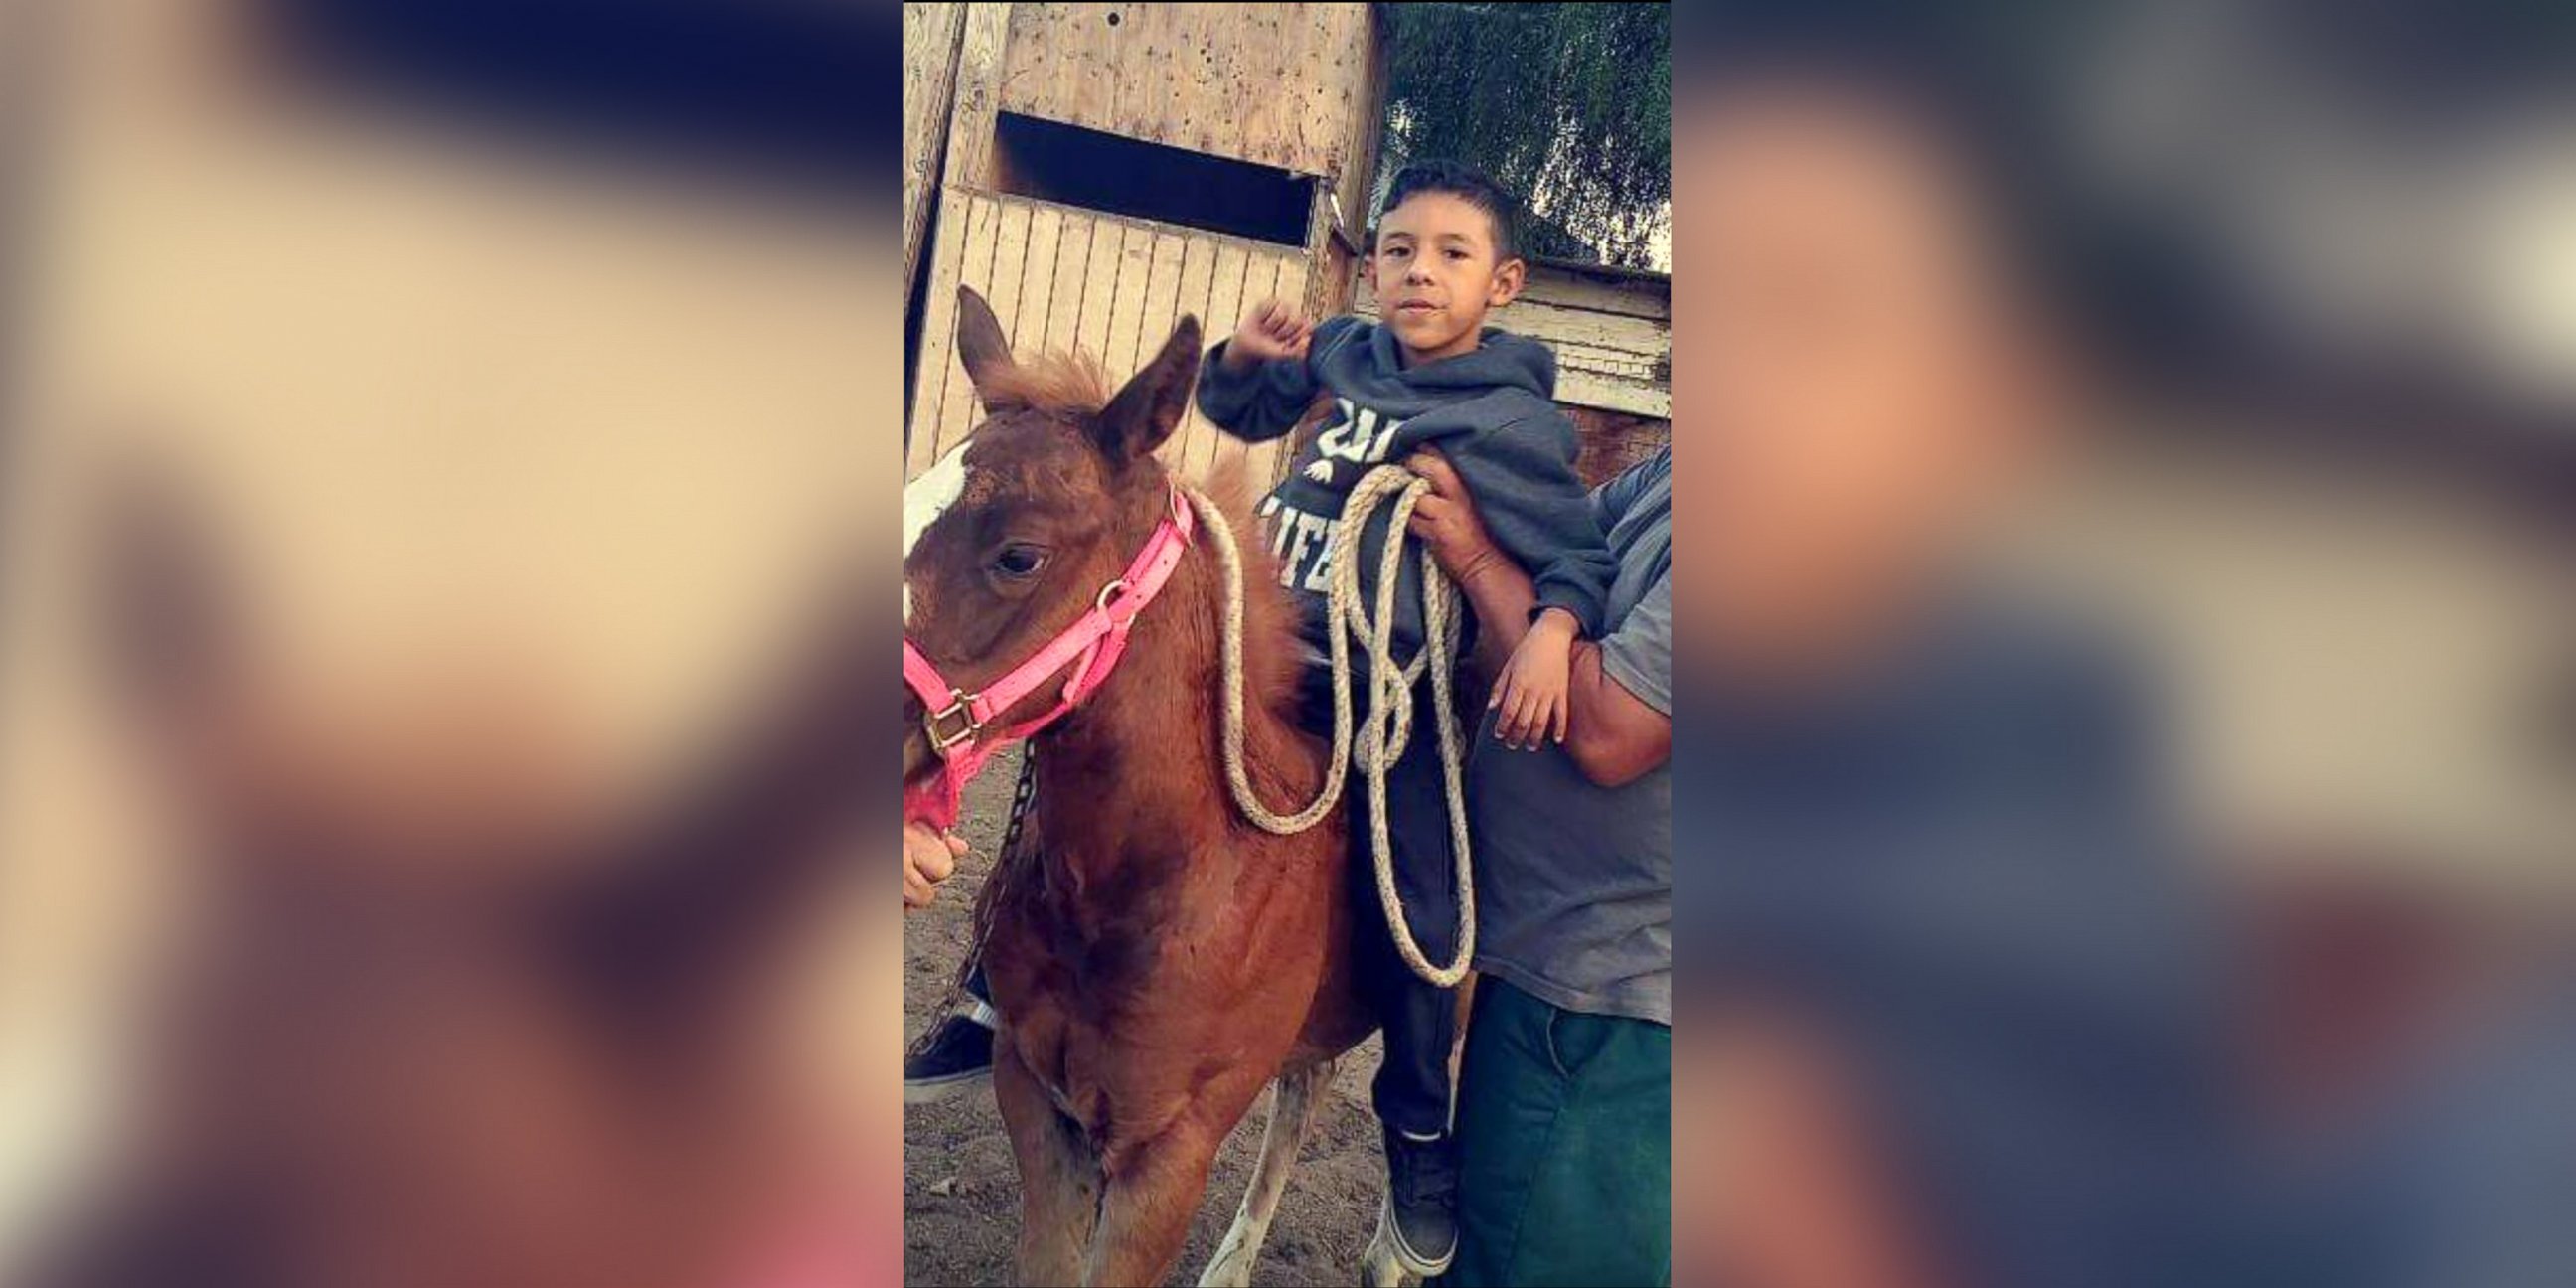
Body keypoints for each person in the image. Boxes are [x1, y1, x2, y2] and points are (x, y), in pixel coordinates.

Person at [1193, 158, 1618, 1276]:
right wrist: (1244, 359)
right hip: (1264, 651)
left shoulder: (1513, 423)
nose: (1416, 272)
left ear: (1506, 282)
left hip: (1386, 693)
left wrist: (1554, 633)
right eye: (1397, 250)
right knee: (1106, 713)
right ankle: (995, 986)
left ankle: (1420, 1143)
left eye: (1450, 254)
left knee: (1428, 905)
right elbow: (1240, 410)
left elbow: (1578, 559)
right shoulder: (1346, 349)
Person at [1406, 444, 1674, 1287]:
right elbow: (1553, 561)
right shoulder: (1675, 473)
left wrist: (1479, 558)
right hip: (1558, 966)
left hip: (1616, 1004)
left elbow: (1607, 728)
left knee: (1526, 1257)